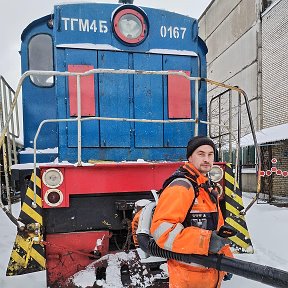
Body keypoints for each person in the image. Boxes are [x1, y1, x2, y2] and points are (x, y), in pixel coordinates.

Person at [150, 136, 233, 288]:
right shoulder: (182, 187)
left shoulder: (206, 188)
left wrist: (228, 261)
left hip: (210, 275)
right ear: (190, 157)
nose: (206, 159)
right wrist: (205, 241)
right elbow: (162, 230)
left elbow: (218, 230)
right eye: (201, 154)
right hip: (187, 278)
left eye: (210, 154)